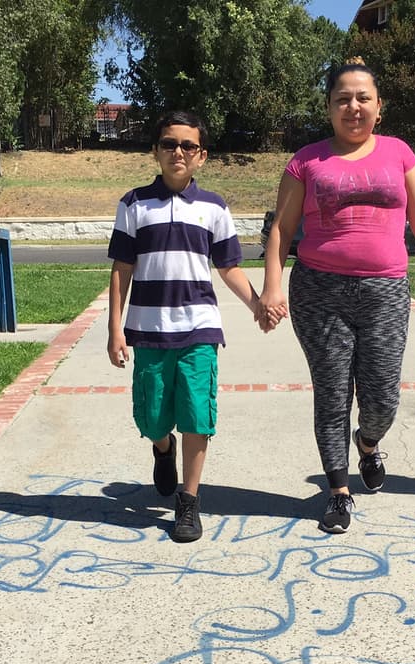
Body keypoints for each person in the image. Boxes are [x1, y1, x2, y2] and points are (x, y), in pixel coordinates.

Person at [261, 58, 415, 534]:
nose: (352, 107)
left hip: (385, 290)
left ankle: (369, 444)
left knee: (381, 398)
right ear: (329, 107)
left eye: (362, 98)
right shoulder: (306, 160)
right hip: (319, 289)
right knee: (332, 395)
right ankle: (338, 492)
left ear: (379, 107)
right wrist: (272, 285)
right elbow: (282, 230)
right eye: (342, 99)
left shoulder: (399, 153)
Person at [107, 110, 268, 543]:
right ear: (156, 152)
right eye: (168, 144)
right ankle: (163, 449)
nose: (177, 152)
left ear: (201, 156)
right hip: (149, 329)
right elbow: (122, 269)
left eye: (187, 146)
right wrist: (115, 330)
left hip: (199, 327)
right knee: (153, 417)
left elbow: (229, 266)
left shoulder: (214, 207)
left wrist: (257, 305)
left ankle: (188, 503)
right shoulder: (134, 204)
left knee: (198, 415)